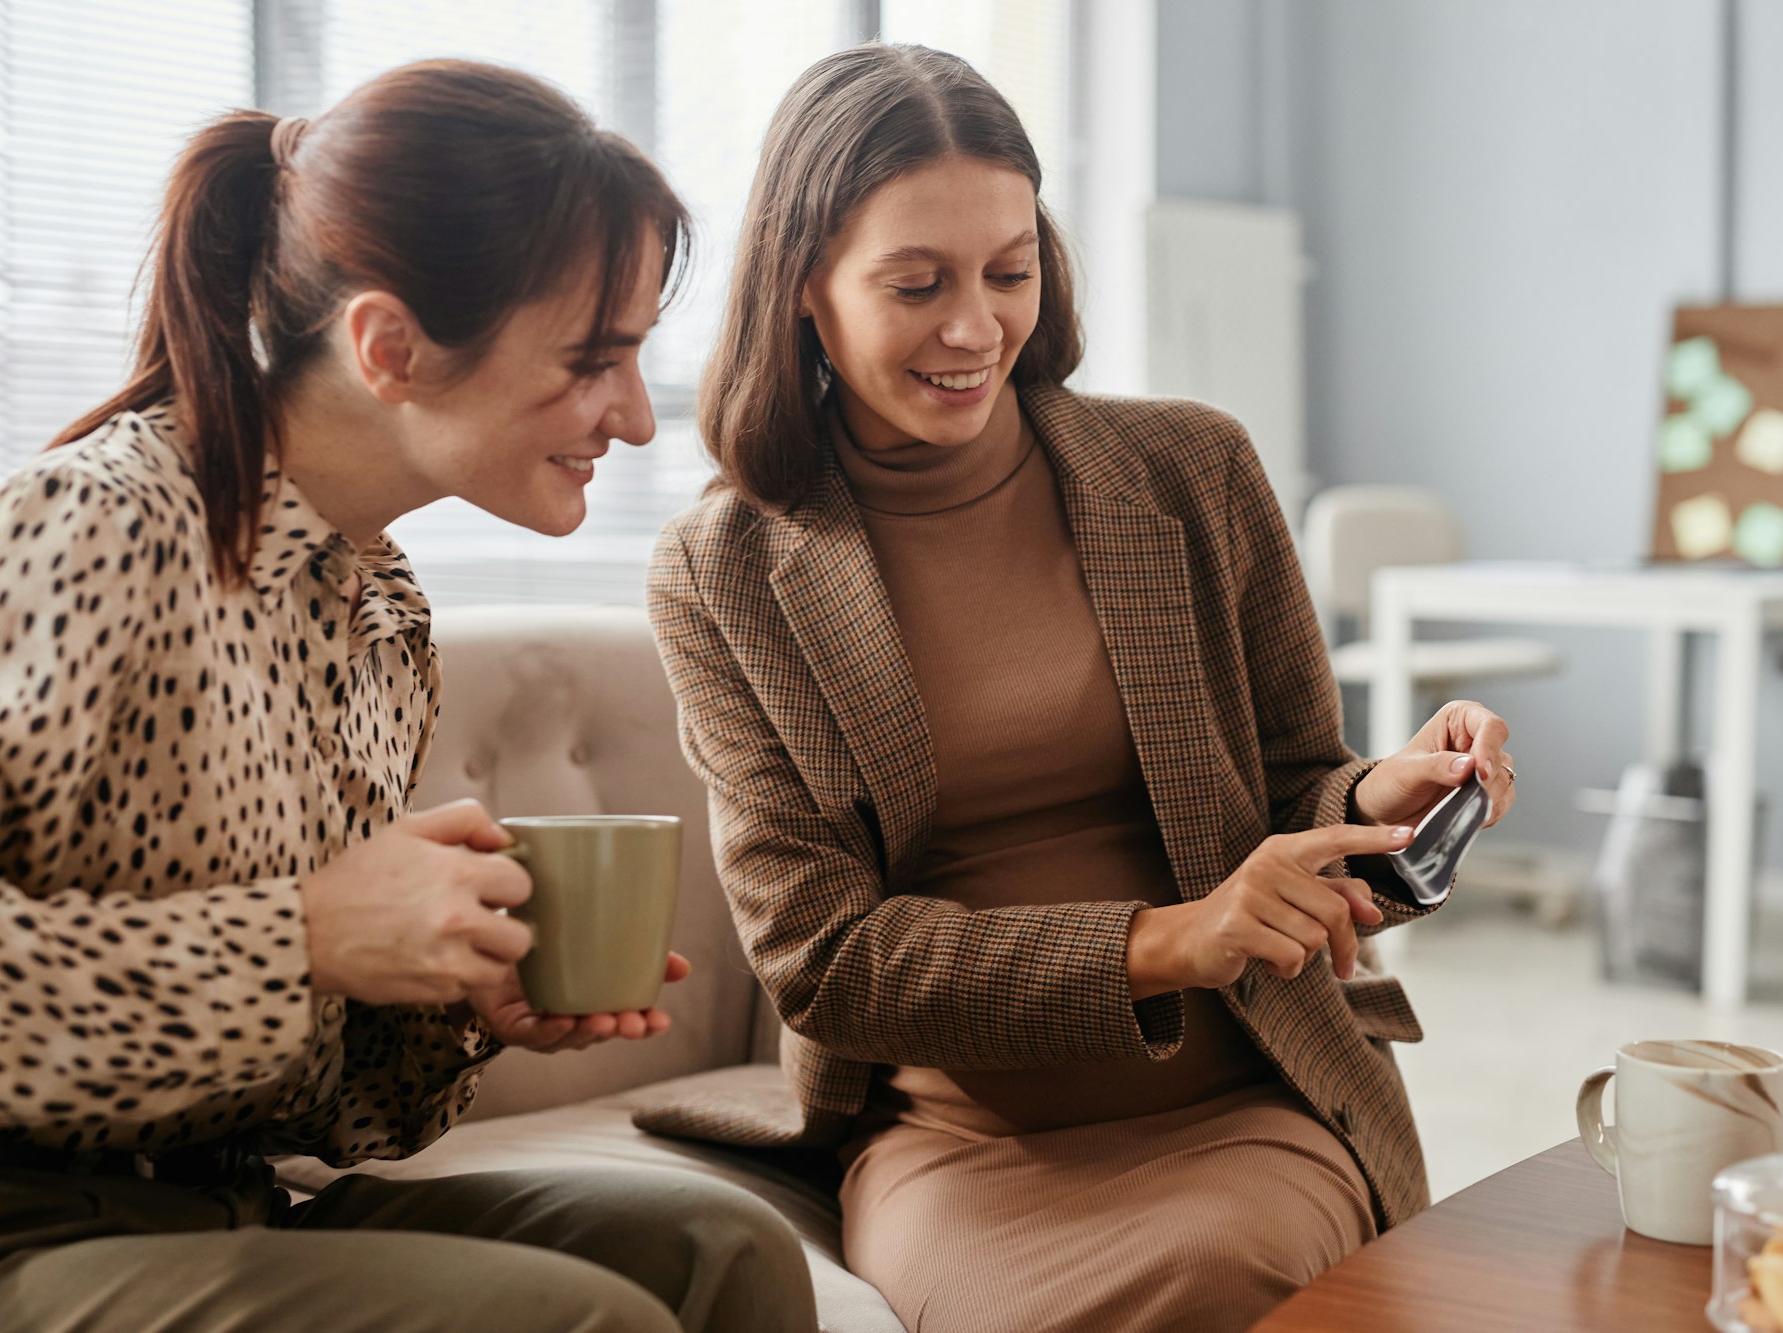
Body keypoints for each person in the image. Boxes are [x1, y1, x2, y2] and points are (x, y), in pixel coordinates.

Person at [643, 43, 1517, 1333]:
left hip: (1245, 1096)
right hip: (962, 1139)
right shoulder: (723, 573)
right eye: (914, 283)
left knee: (1221, 1279)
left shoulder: (1188, 471)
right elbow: (825, 959)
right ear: (802, 289)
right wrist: (1170, 939)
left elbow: (1288, 779)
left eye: (1009, 269)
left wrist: (1376, 795)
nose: (973, 326)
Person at [0, 59, 816, 1333]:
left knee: (718, 1248)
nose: (636, 419)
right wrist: (299, 936)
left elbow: (329, 1116)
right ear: (388, 346)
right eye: (594, 359)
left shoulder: (377, 607)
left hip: (228, 1204)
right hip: (0, 1236)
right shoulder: (101, 528)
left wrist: (449, 1008)